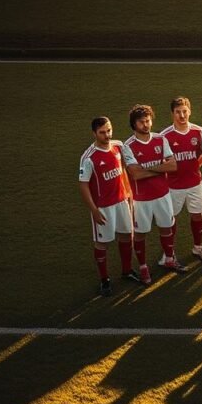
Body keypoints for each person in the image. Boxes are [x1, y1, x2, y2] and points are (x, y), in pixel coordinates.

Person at [122, 104, 182, 285]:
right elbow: (135, 174)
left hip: (163, 194)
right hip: (141, 199)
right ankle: (142, 267)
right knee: (140, 233)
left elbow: (173, 166)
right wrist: (159, 168)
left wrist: (146, 167)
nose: (146, 125)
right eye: (142, 122)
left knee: (166, 227)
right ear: (134, 124)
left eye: (148, 121)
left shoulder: (160, 139)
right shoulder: (128, 146)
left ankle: (169, 258)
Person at [79, 117, 136, 296]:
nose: (107, 135)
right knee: (102, 243)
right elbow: (83, 185)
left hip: (121, 202)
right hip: (103, 207)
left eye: (109, 130)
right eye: (102, 132)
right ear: (94, 133)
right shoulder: (89, 157)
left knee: (126, 235)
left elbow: (124, 169)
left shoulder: (118, 146)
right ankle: (104, 280)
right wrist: (94, 210)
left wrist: (129, 193)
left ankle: (127, 271)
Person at [160, 97, 202, 263]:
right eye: (178, 112)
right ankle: (169, 252)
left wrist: (194, 167)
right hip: (173, 186)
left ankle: (197, 247)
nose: (182, 115)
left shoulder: (199, 132)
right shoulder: (164, 136)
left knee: (197, 215)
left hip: (195, 184)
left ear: (189, 111)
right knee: (170, 219)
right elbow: (162, 162)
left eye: (184, 111)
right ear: (172, 114)